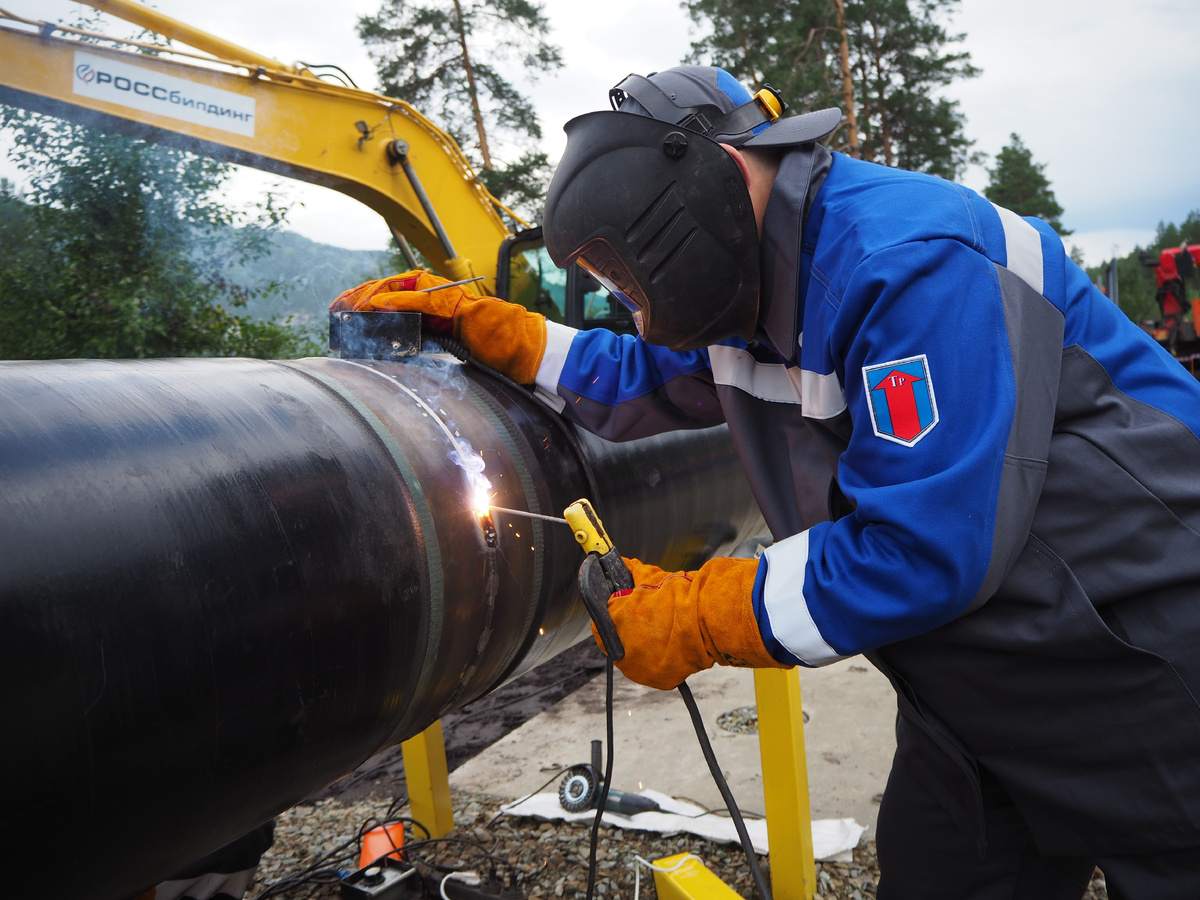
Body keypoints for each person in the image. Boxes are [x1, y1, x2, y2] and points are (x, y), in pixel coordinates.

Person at [332, 67, 1200, 898]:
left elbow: (924, 549)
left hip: (1139, 646)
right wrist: (511, 339)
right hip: (976, 668)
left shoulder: (904, 261)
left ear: (712, 180)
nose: (639, 307)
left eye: (631, 281)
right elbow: (651, 374)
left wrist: (704, 614)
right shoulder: (751, 293)